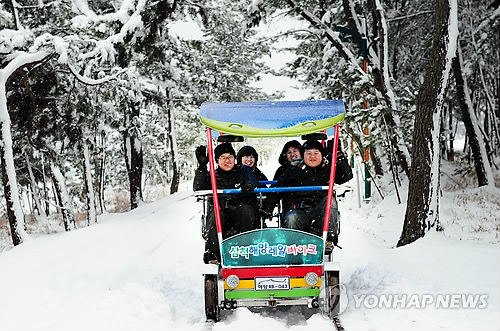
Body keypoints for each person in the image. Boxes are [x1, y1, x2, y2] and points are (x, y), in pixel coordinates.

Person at [276, 139, 353, 246]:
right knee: (292, 217)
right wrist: (266, 208)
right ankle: (292, 245)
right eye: (309, 154)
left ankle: (327, 238)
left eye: (316, 154)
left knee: (329, 201)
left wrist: (338, 155)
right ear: (303, 155)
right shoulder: (293, 170)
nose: (312, 157)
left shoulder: (327, 168)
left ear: (321, 155)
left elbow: (346, 176)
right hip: (299, 211)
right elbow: (277, 190)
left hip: (319, 213)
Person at [193, 143, 259, 263]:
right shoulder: (213, 175)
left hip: (241, 211)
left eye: (230, 157)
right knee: (216, 215)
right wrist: (202, 167)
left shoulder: (243, 171)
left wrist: (249, 185)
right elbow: (199, 188)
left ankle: (245, 248)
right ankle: (213, 252)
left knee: (245, 209)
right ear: (217, 161)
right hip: (222, 210)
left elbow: (253, 179)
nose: (227, 161)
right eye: (223, 158)